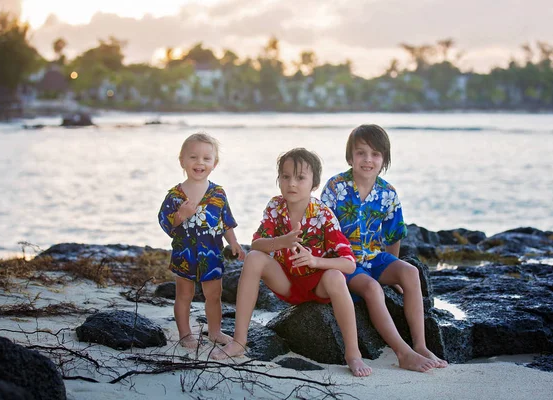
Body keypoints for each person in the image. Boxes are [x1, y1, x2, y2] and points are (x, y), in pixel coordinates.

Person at [211, 148, 372, 377]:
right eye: (285, 177)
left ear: (314, 184)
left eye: (300, 177)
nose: (292, 184)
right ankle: (239, 340)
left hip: (318, 286)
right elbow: (256, 244)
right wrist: (281, 241)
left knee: (336, 276)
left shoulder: (323, 214)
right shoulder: (275, 207)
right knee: (255, 259)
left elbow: (349, 264)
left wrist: (315, 261)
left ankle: (353, 354)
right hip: (286, 282)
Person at [321, 124, 448, 372]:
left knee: (411, 272)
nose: (368, 160)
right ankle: (403, 352)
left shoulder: (387, 193)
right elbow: (321, 230)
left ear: (384, 160)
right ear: (350, 157)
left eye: (375, 154)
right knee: (371, 287)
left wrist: (394, 273)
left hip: (375, 258)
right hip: (345, 262)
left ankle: (420, 345)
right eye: (361, 153)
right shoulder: (335, 187)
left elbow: (393, 236)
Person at [158, 132, 245, 349]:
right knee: (184, 295)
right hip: (184, 254)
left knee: (213, 295)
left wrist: (233, 242)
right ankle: (185, 333)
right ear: (182, 161)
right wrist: (180, 216)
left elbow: (226, 221)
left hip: (212, 254)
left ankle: (215, 332)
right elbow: (165, 223)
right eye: (193, 157)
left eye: (206, 158)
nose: (200, 163)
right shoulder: (175, 196)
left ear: (214, 163)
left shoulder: (218, 193)